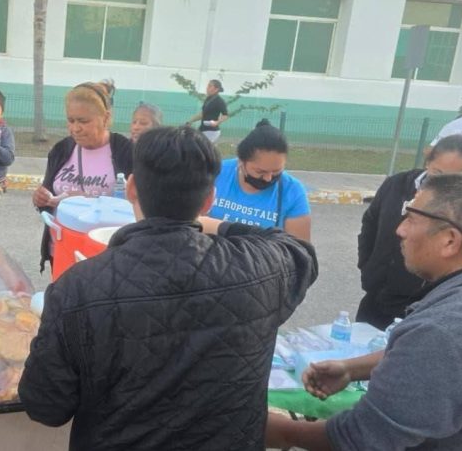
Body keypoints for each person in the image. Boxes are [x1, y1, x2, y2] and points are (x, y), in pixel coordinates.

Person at [19, 126, 318, 450]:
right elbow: (298, 250)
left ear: (131, 188)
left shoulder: (76, 288)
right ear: (209, 200)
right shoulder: (261, 269)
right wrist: (217, 226)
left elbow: (45, 405)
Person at [267, 173, 462, 451]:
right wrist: (352, 369)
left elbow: (363, 438)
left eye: (411, 218)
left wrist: (282, 432)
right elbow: (440, 365)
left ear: (450, 240)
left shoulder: (446, 330)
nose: (400, 230)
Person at [357, 134, 462, 329]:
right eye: (438, 173)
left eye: (454, 179)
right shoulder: (396, 184)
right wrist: (367, 265)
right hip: (376, 293)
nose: (441, 185)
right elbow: (370, 223)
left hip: (420, 304)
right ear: (428, 162)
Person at [32, 80, 134, 272]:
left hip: (107, 255)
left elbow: (139, 207)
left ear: (106, 117)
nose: (75, 128)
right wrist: (41, 199)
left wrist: (86, 199)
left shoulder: (126, 151)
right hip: (62, 250)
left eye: (83, 121)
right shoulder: (61, 150)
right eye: (71, 121)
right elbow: (48, 199)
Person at [204, 119, 311, 241]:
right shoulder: (215, 174)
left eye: (276, 171)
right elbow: (192, 224)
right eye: (260, 172)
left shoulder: (292, 191)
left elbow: (299, 250)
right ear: (240, 161)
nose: (268, 178)